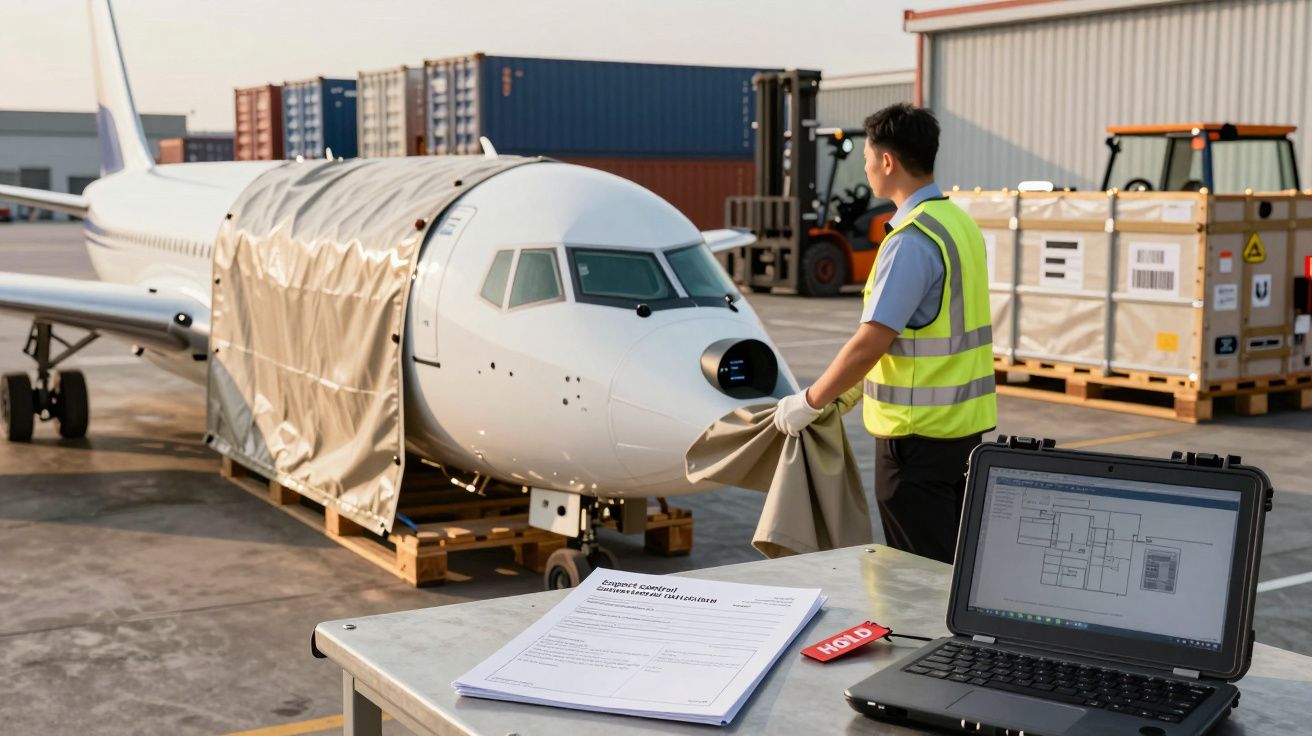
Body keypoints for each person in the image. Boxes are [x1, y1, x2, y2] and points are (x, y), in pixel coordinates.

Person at [771, 103, 996, 564]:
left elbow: (871, 342)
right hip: (964, 435)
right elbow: (916, 335)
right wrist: (848, 394)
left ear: (887, 161)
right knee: (950, 567)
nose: (867, 168)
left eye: (868, 158)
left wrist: (810, 400)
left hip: (915, 443)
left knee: (916, 574)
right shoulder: (959, 225)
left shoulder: (910, 240)